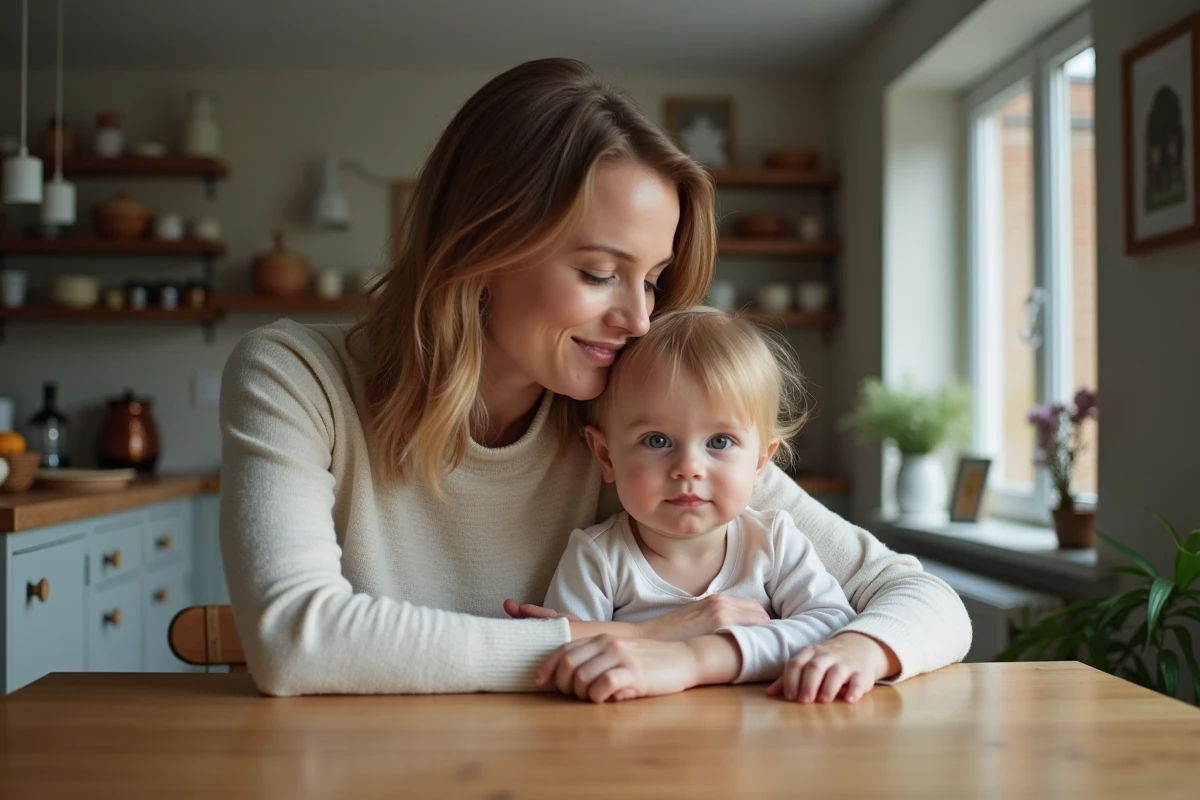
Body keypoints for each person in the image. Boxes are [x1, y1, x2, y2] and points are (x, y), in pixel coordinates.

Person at [219, 57, 971, 701]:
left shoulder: (642, 418)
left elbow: (928, 601)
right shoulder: (296, 377)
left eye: (651, 281)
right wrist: (618, 637)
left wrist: (853, 651)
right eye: (600, 274)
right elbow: (294, 641)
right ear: (481, 248)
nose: (639, 321)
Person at [539, 308, 858, 703]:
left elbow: (834, 626)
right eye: (657, 441)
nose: (688, 469)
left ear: (761, 462)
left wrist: (700, 658)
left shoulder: (773, 542)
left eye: (719, 442)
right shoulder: (597, 557)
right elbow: (562, 659)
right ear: (606, 456)